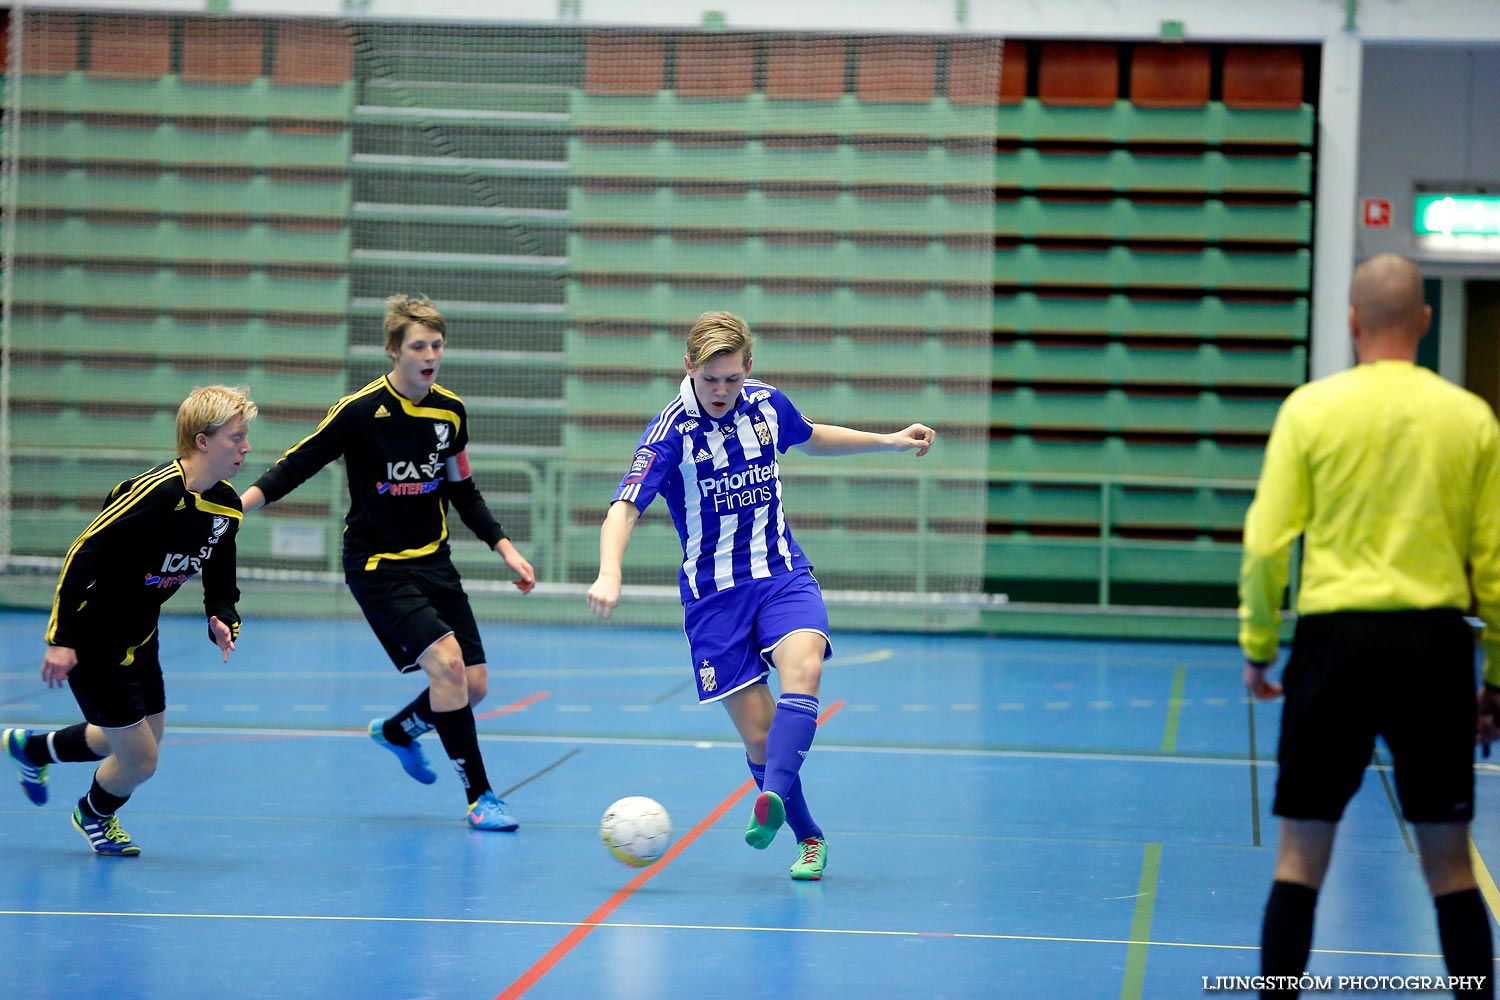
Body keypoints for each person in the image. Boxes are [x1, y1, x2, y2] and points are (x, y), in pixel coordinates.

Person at [586, 310, 935, 880]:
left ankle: (768, 797)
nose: (722, 391)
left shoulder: (767, 404)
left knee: (806, 670)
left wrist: (889, 441)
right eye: (710, 380)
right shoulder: (669, 433)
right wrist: (609, 571)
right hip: (714, 599)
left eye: (732, 378)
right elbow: (623, 508)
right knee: (760, 733)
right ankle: (808, 835)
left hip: (781, 576)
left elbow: (813, 435)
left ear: (748, 367)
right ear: (688, 368)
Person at [1239, 254, 1498, 999]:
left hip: (1335, 647)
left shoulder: (1311, 412)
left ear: (1352, 321)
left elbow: (1264, 545)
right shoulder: (1470, 418)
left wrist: (1259, 647)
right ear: (1423, 320)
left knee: (1300, 860)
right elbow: (1496, 559)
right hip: (1435, 648)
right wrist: (1499, 679)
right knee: (1449, 865)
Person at [238, 294, 535, 832]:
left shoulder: (450, 412)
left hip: (434, 564)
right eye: (418, 346)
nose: (430, 355)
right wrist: (238, 508)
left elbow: (463, 489)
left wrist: (505, 548)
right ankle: (481, 796)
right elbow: (295, 465)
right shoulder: (359, 412)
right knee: (446, 666)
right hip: (378, 566)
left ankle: (399, 731)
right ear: (394, 351)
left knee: (475, 684)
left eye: (437, 345)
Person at [3, 385, 256, 856]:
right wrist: (61, 639)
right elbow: (84, 553)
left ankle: (33, 749)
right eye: (235, 437)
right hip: (95, 638)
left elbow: (221, 576)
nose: (245, 447)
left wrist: (222, 616)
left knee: (130, 739)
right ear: (202, 441)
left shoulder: (225, 507)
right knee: (142, 761)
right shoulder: (154, 492)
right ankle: (94, 815)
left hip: (141, 635)